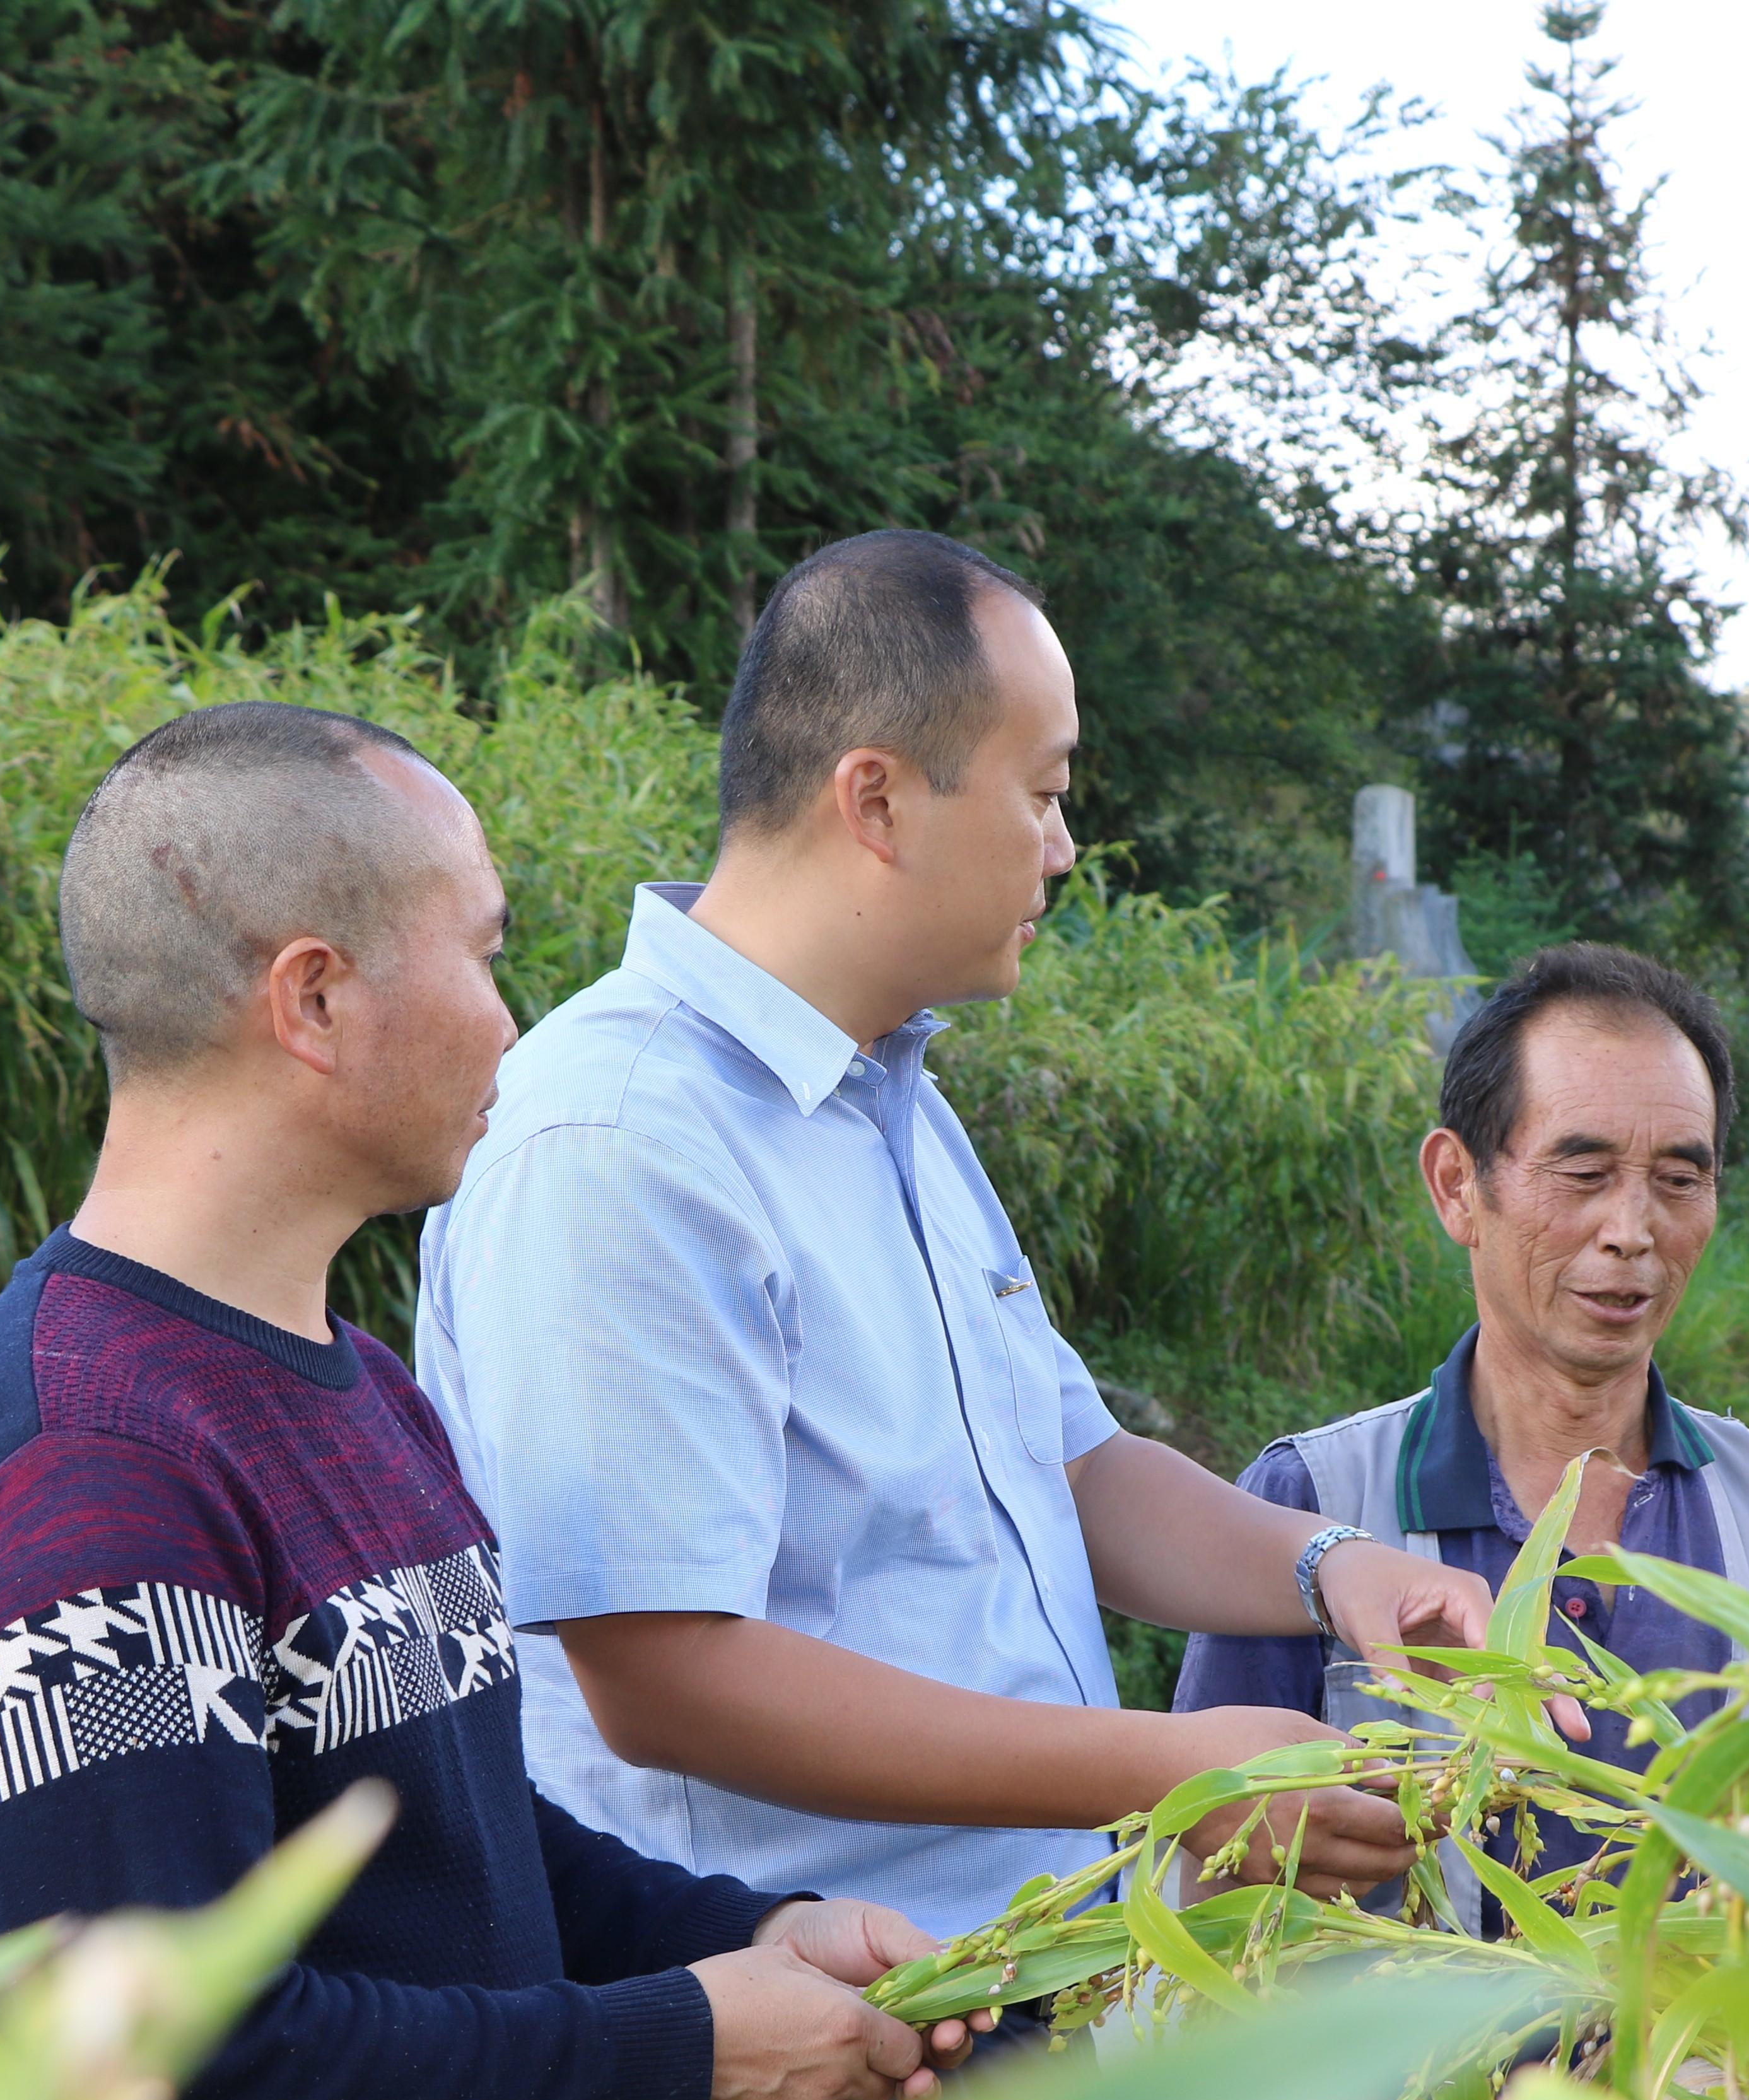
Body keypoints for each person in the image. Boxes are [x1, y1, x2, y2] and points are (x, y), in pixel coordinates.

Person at [0, 701, 986, 2100]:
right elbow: (186, 2072)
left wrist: (753, 1934)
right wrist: (686, 2049)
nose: (513, 1023)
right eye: (482, 952)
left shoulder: (355, 1388)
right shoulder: (83, 1470)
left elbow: (463, 1835)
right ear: (313, 999)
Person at [414, 530, 1492, 1963]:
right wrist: (1167, 1774)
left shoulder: (892, 1102)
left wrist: (1333, 1564)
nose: (1061, 847)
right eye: (1041, 793)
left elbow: (1070, 1464)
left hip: (1011, 1978)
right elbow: (663, 1675)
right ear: (876, 797)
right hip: (792, 2040)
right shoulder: (619, 1142)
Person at [1174, 943, 1749, 1910]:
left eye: (1678, 1180)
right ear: (1457, 1187)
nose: (1632, 1229)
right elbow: (1213, 1887)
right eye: (1583, 1173)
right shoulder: (1313, 1504)